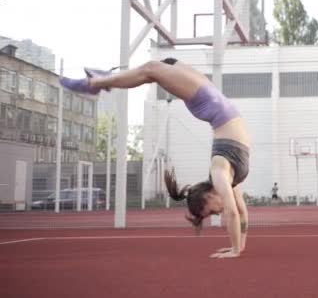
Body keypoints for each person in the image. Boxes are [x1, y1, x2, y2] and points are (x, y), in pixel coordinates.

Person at [60, 58, 250, 259]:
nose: (217, 214)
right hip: (211, 100)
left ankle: (99, 82)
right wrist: (238, 248)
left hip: (207, 100)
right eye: (213, 214)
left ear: (208, 198)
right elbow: (239, 212)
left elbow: (235, 212)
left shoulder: (220, 174)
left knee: (155, 68)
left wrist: (237, 249)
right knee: (154, 68)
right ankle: (99, 81)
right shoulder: (224, 176)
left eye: (211, 212)